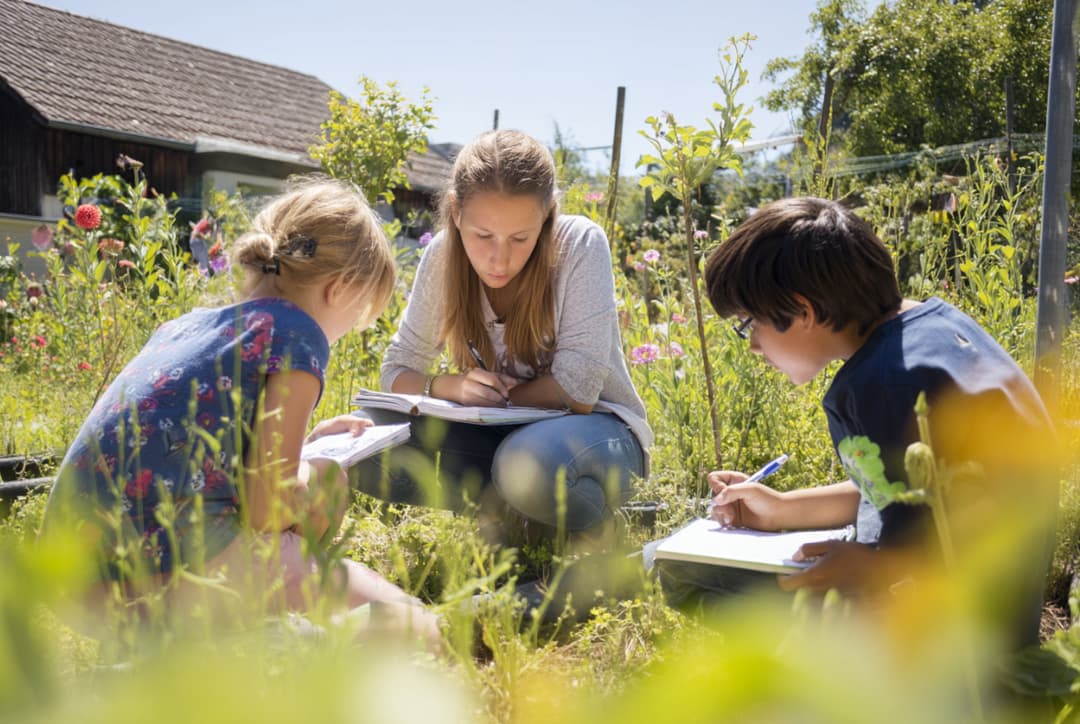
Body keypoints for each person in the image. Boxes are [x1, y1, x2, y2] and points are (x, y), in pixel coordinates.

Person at [42, 177, 440, 647]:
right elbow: (266, 508)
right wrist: (314, 467)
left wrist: (306, 449)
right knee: (414, 625)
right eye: (359, 316)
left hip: (73, 585)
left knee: (321, 480)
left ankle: (242, 636)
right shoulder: (297, 335)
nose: (351, 329)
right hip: (163, 581)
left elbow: (196, 455)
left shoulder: (186, 327)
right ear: (339, 289)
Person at [655, 196, 1057, 648]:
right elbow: (910, 491)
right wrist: (782, 509)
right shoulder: (936, 330)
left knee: (682, 571)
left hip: (949, 648)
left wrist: (866, 567)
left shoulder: (880, 384)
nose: (752, 347)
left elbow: (924, 559)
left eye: (749, 325)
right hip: (999, 621)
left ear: (802, 311)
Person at [350, 130, 652, 555]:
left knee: (529, 462)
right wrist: (451, 387)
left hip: (594, 437)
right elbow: (397, 368)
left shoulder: (580, 244)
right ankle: (518, 517)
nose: (499, 259)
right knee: (363, 440)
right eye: (483, 236)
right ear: (456, 212)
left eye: (520, 238)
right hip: (495, 436)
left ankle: (599, 522)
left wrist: (499, 400)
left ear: (547, 216)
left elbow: (579, 392)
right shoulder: (442, 256)